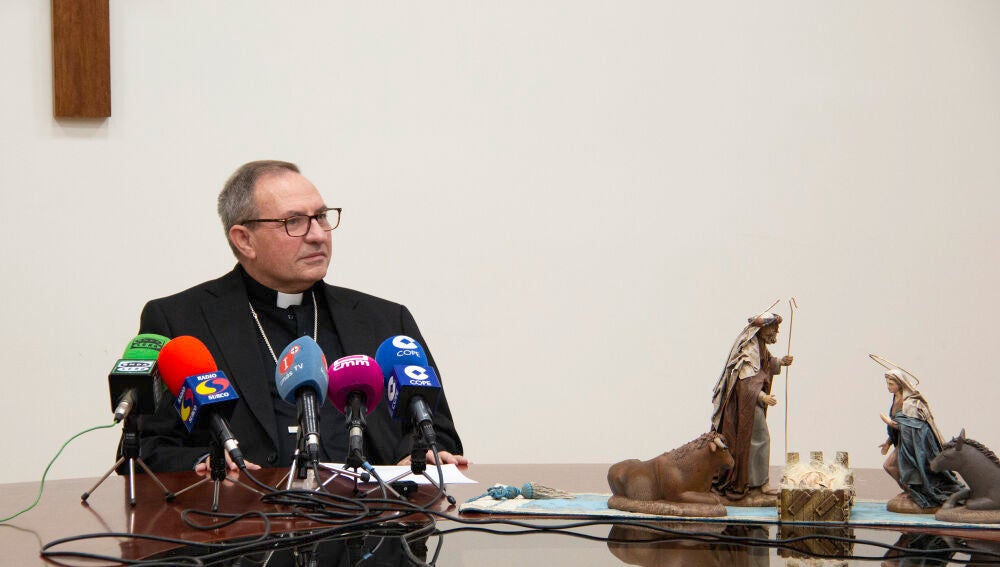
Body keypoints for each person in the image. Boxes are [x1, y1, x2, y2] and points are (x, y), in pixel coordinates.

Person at [124, 160, 466, 476]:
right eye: (295, 222)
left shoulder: (386, 320)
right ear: (244, 240)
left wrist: (419, 454)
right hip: (243, 528)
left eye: (321, 217)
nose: (318, 234)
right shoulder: (180, 322)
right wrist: (203, 463)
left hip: (371, 525)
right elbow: (144, 451)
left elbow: (436, 430)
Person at [710, 311, 792, 506]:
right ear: (763, 329)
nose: (776, 334)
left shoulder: (760, 346)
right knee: (759, 439)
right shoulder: (748, 350)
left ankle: (759, 483)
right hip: (745, 408)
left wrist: (780, 362)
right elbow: (746, 383)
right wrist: (763, 397)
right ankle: (753, 485)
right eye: (773, 330)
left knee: (759, 441)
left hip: (752, 405)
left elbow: (766, 364)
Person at [878, 368, 962, 512]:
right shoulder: (896, 399)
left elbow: (915, 426)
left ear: (900, 383)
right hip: (905, 441)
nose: (888, 387)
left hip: (918, 444)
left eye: (891, 383)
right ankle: (910, 492)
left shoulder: (911, 402)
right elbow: (902, 423)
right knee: (889, 466)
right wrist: (889, 441)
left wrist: (891, 424)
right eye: (887, 383)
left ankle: (916, 493)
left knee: (894, 466)